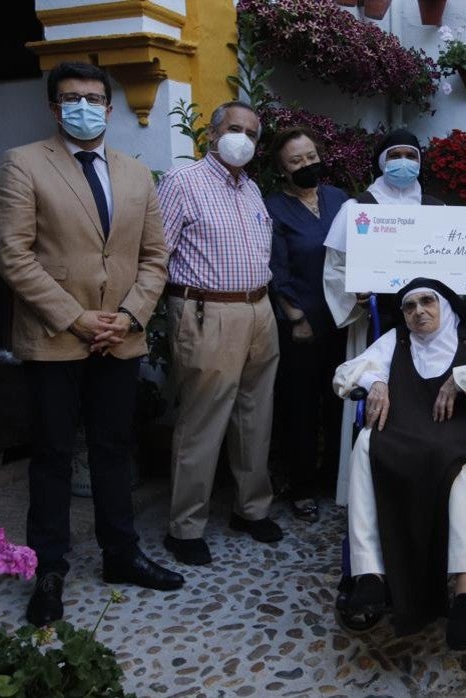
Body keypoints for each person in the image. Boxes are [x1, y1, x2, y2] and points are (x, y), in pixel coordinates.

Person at [0, 61, 184, 627]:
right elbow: (12, 254)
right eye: (72, 98)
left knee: (113, 449)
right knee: (51, 455)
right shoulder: (23, 164)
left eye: (95, 98)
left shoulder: (135, 173)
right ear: (55, 107)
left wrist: (128, 317)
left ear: (109, 107)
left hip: (119, 338)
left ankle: (120, 554)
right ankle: (48, 568)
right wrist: (76, 318)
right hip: (55, 338)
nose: (85, 106)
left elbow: (155, 256)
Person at [335, 279, 466, 650]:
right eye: (409, 307)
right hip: (406, 432)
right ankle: (370, 574)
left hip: (462, 434)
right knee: (366, 446)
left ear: (444, 306)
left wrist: (463, 379)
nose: (418, 312)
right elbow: (347, 371)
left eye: (427, 302)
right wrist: (374, 380)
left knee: (465, 473)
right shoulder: (396, 340)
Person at [157, 100, 283, 566]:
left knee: (256, 416)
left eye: (252, 133)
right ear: (212, 134)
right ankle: (185, 526)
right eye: (235, 128)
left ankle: (251, 509)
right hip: (207, 311)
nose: (243, 139)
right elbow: (157, 253)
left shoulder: (250, 189)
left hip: (258, 309)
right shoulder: (182, 182)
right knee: (203, 420)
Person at [322, 130, 444, 505]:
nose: (404, 163)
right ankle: (367, 492)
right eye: (396, 155)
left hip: (430, 329)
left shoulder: (438, 209)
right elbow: (334, 267)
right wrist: (354, 295)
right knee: (374, 400)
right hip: (376, 323)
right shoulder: (358, 207)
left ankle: (427, 484)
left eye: (411, 154)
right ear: (381, 161)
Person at [266, 127, 352, 523]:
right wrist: (295, 317)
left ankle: (335, 477)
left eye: (310, 156)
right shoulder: (273, 208)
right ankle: (300, 487)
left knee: (340, 403)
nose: (306, 165)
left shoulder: (339, 199)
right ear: (282, 169)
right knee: (299, 408)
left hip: (345, 321)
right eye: (296, 161)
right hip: (300, 325)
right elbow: (275, 268)